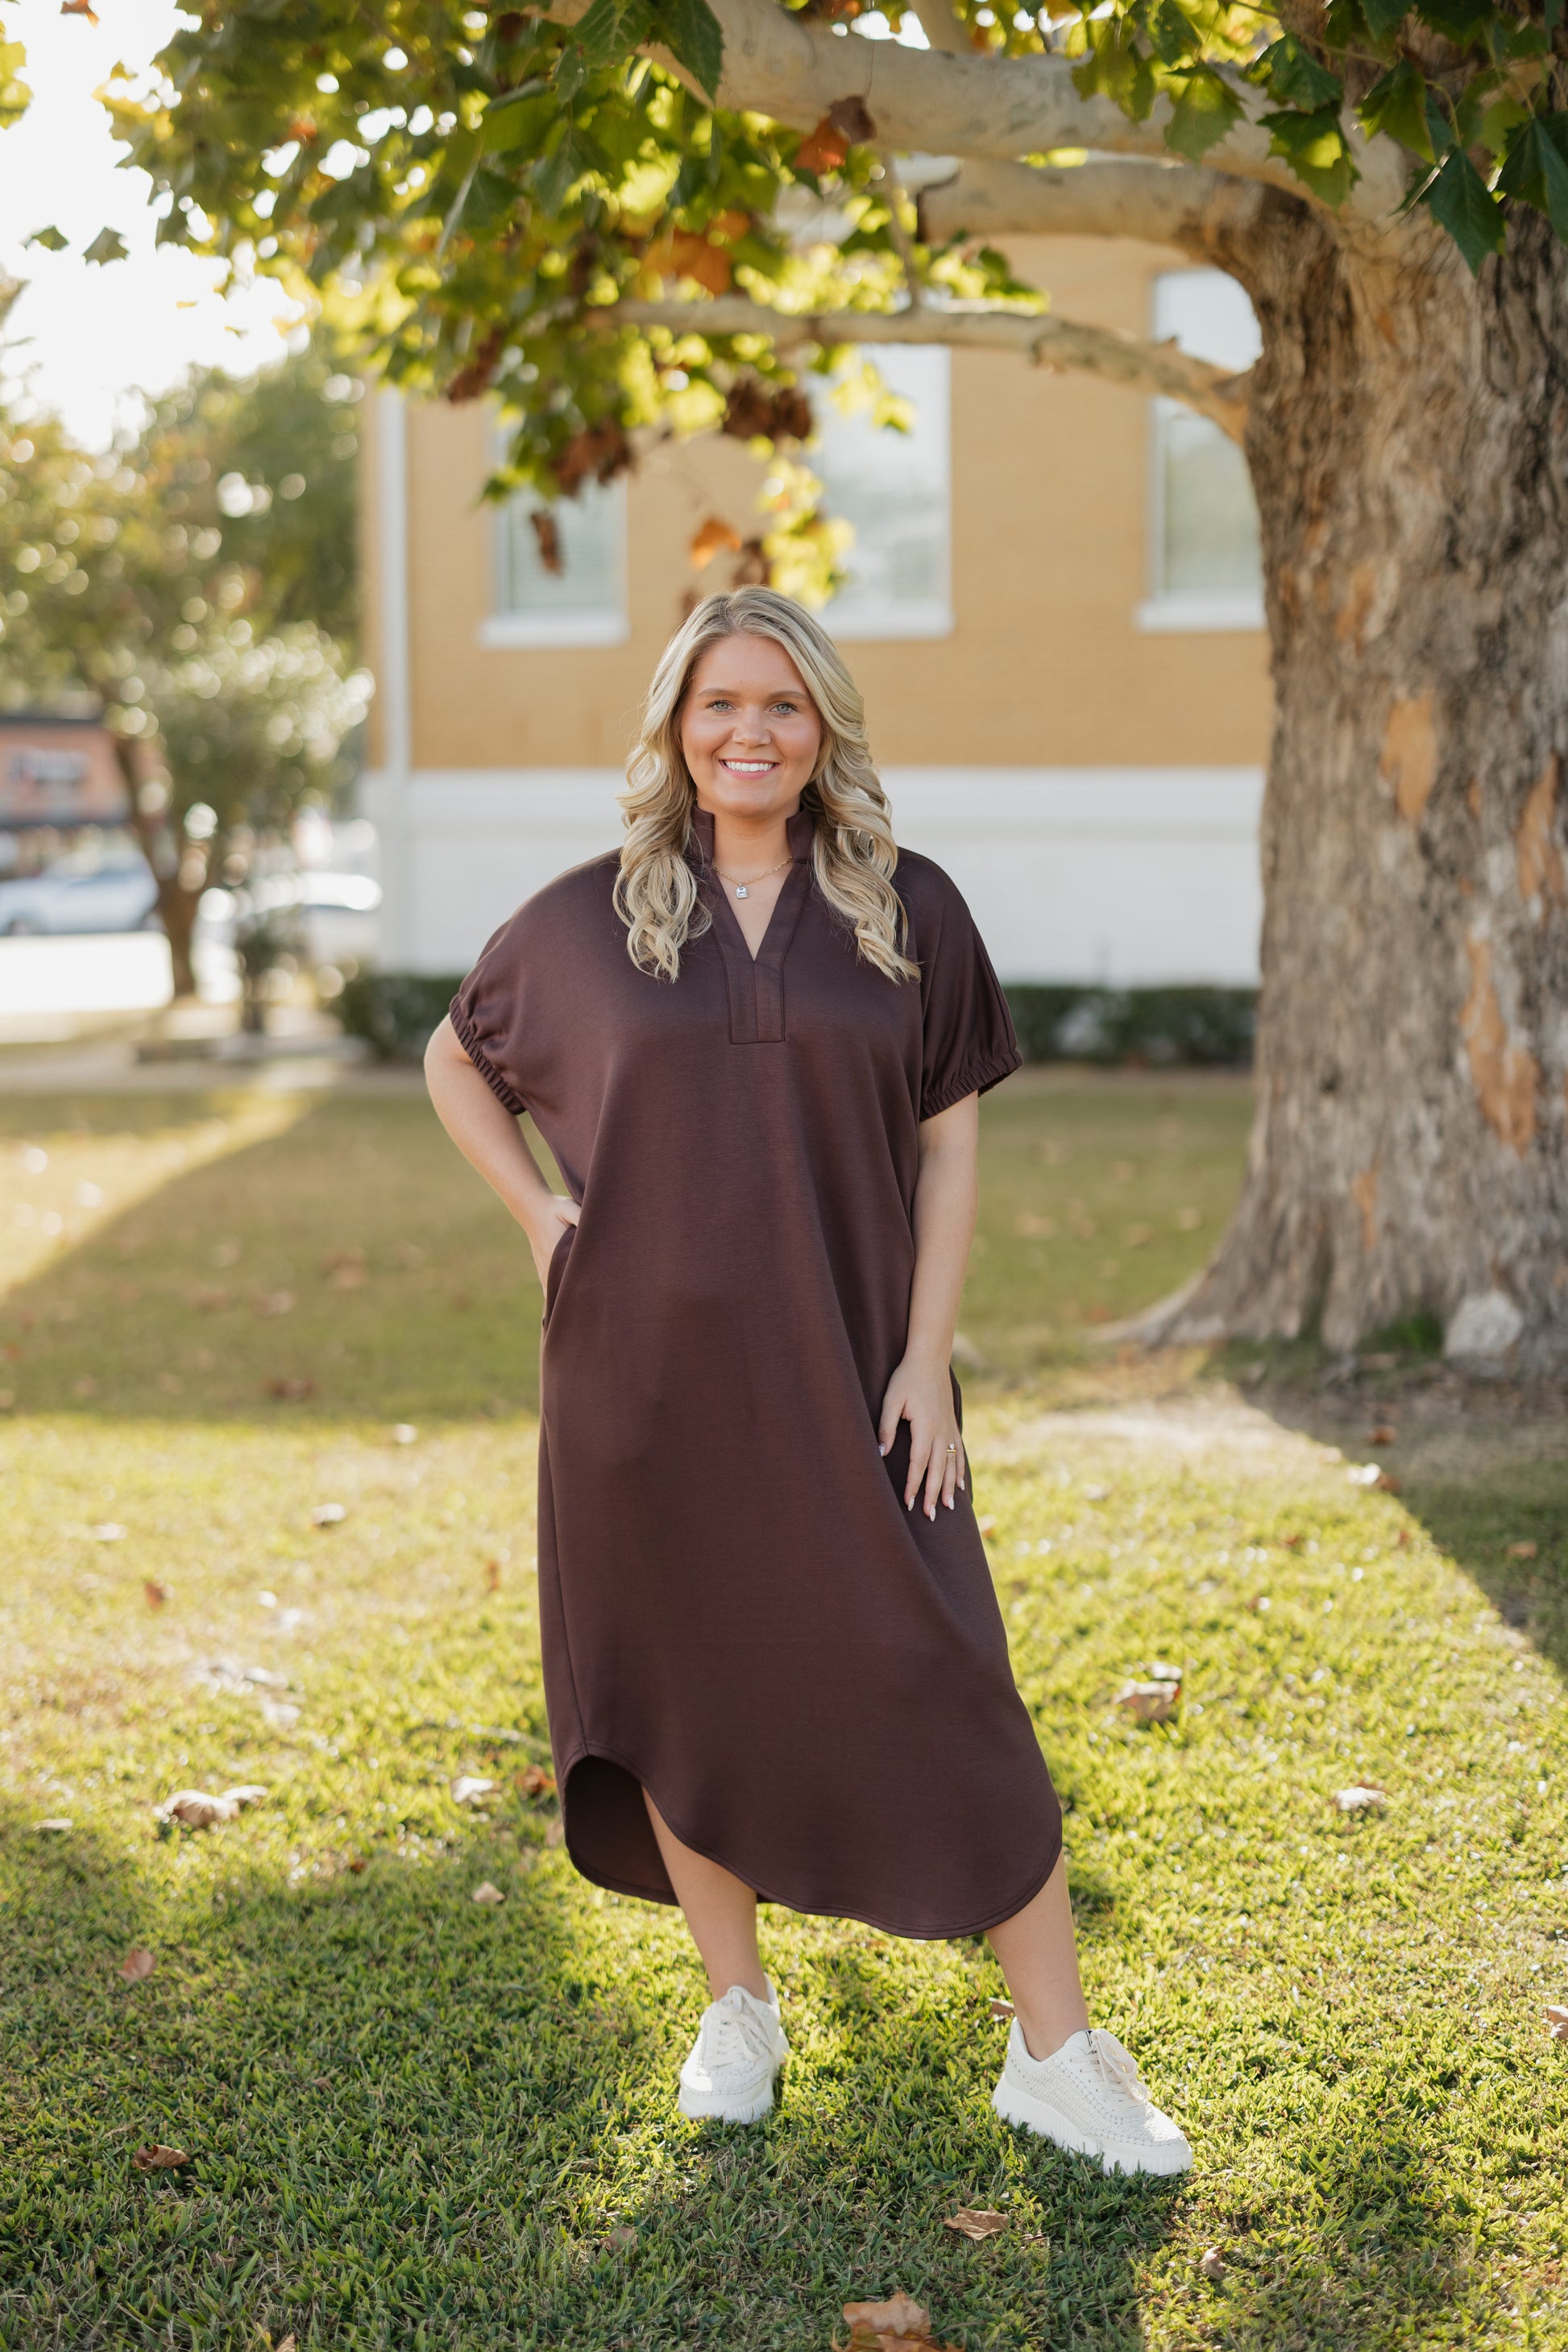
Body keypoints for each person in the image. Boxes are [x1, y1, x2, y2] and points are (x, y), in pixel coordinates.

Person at [425, 587, 1190, 2176]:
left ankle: (1055, 2051)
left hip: (855, 1364)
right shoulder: (591, 914)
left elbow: (951, 1137)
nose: (749, 731)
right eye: (718, 706)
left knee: (945, 1667)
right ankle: (737, 2007)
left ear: (823, 723)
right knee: (687, 1674)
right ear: (675, 730)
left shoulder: (909, 909)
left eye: (780, 704)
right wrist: (540, 1210)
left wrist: (925, 1356)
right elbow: (458, 1056)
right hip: (640, 1378)